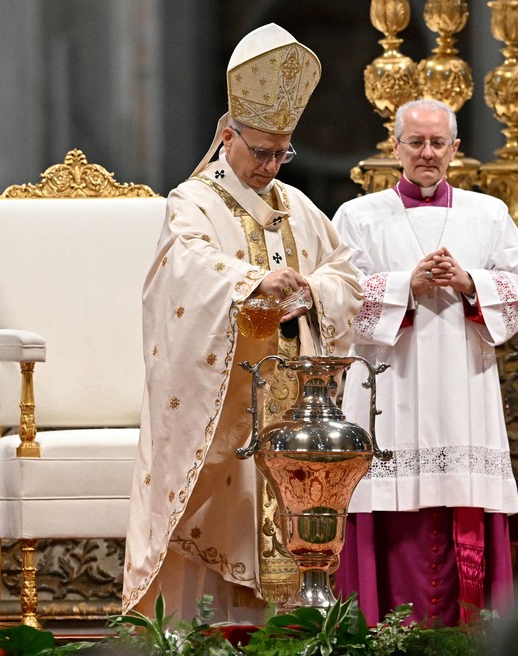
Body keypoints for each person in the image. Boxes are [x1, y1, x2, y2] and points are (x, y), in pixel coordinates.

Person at [121, 24, 362, 622]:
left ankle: (280, 635)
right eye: (261, 152)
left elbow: (345, 274)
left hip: (289, 397)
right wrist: (253, 281)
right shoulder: (193, 201)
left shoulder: (296, 205)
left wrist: (312, 291)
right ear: (228, 136)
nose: (271, 165)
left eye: (283, 153)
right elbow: (188, 267)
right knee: (215, 511)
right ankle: (190, 637)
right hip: (223, 403)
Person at [331, 98, 518, 626]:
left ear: (455, 149)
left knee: (460, 490)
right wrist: (405, 285)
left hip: (461, 384)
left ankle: (467, 633)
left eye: (437, 143)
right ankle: (379, 629)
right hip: (388, 386)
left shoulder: (487, 213)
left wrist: (470, 282)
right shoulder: (358, 216)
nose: (427, 152)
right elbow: (335, 294)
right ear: (396, 147)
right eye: (416, 142)